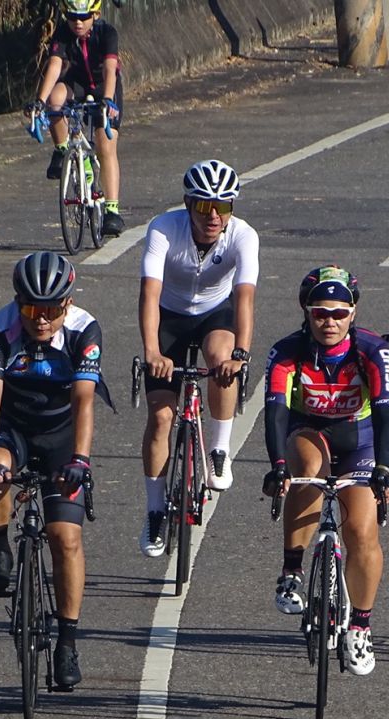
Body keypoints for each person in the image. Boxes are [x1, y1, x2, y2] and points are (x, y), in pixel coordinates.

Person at [0, 250, 111, 689]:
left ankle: (67, 642)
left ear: (67, 304)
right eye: (32, 308)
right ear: (18, 302)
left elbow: (85, 401)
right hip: (14, 427)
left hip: (61, 434)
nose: (41, 319)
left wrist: (81, 461)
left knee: (65, 538)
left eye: (51, 310)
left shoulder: (84, 330)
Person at [263, 266, 389, 676]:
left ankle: (360, 625)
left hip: (359, 439)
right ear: (306, 311)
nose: (330, 321)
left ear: (353, 313)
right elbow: (275, 414)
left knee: (361, 528)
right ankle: (291, 570)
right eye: (321, 312)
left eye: (339, 312)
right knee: (305, 467)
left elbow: (388, 414)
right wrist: (278, 468)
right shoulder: (287, 352)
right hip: (310, 431)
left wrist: (384, 469)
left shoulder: (373, 351)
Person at [137, 159, 259, 556]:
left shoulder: (243, 236)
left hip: (215, 313)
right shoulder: (163, 229)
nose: (213, 216)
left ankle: (219, 452)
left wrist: (240, 355)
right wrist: (152, 351)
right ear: (188, 204)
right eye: (204, 206)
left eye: (222, 208)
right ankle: (155, 511)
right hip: (169, 316)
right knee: (160, 417)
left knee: (221, 355)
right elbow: (150, 294)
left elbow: (244, 298)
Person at [33, 0, 126, 236]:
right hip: (78, 84)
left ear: (94, 14)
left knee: (105, 145)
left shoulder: (107, 33)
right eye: (72, 16)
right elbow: (55, 65)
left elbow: (109, 68)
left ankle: (112, 210)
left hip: (105, 87)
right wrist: (39, 101)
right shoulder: (64, 32)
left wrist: (107, 100)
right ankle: (63, 150)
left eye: (83, 17)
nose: (77, 22)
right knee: (56, 101)